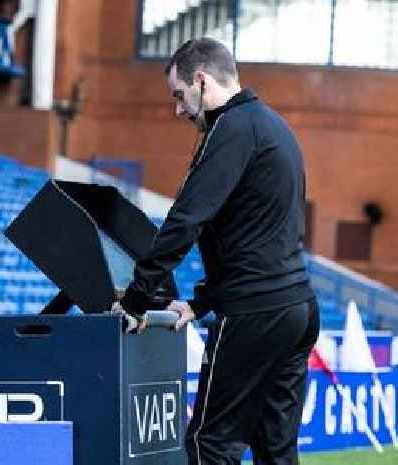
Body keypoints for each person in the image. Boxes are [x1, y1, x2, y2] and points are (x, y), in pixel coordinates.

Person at [112, 37, 319, 465]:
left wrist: (136, 298)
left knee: (210, 445)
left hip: (254, 313)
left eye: (179, 95)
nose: (178, 110)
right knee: (275, 449)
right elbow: (258, 236)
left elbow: (187, 218)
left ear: (201, 81)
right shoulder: (272, 126)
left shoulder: (232, 128)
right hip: (297, 308)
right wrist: (201, 302)